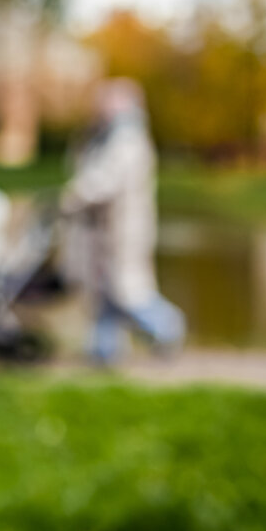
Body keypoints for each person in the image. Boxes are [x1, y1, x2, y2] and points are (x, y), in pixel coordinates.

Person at [60, 78, 185, 363]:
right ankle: (104, 350)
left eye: (108, 100)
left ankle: (166, 325)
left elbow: (105, 181)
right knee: (102, 293)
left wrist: (74, 197)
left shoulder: (128, 138)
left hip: (122, 230)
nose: (100, 105)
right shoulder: (100, 136)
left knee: (128, 290)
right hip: (99, 231)